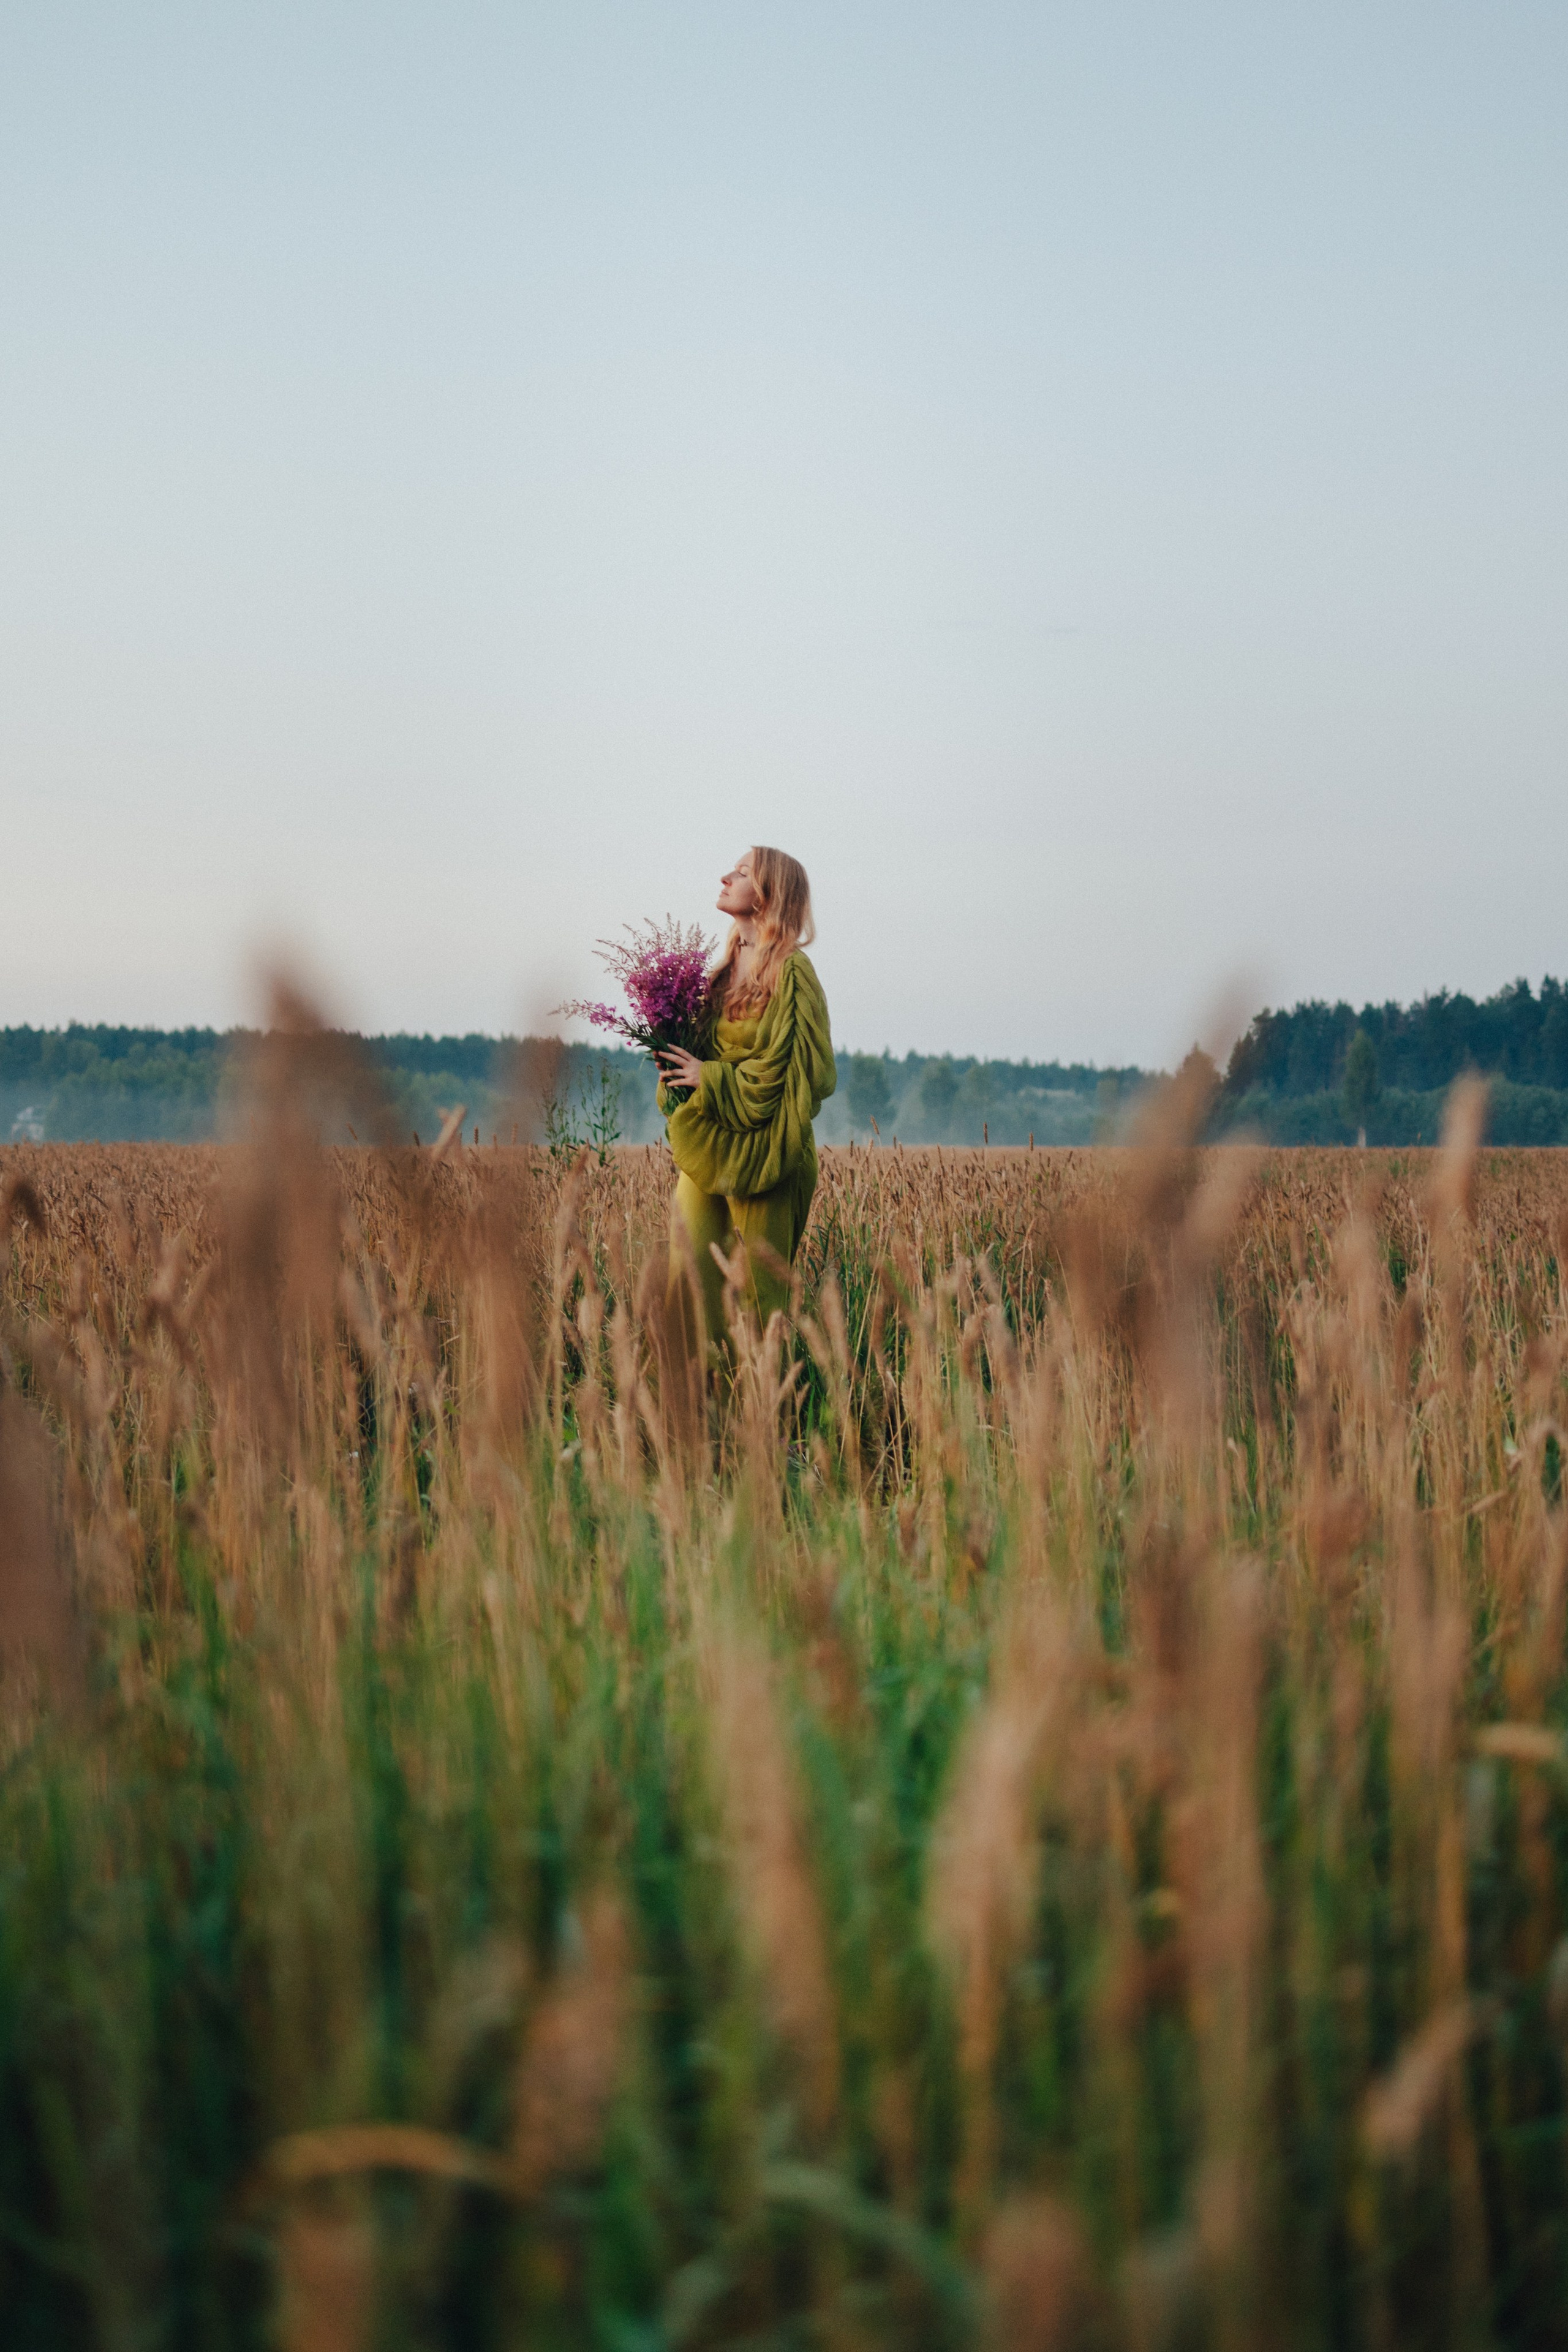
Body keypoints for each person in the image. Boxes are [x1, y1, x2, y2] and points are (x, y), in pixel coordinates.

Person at [655, 847, 836, 1354]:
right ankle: (692, 1406)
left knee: (760, 1297)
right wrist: (674, 1064)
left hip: (769, 1149)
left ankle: (762, 1416)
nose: (725, 877)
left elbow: (796, 1074)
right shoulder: (718, 973)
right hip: (710, 1145)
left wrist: (708, 1076)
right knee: (688, 1279)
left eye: (741, 872)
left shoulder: (794, 973)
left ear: (769, 893)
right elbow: (701, 1059)